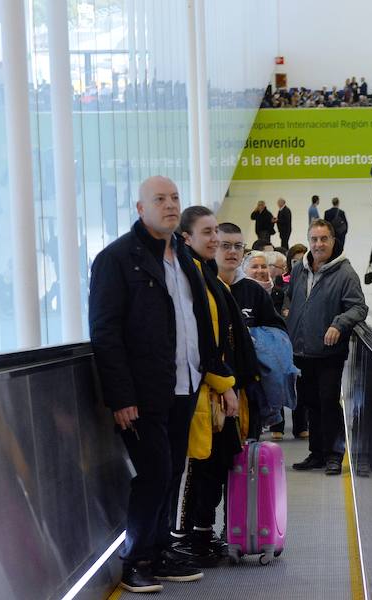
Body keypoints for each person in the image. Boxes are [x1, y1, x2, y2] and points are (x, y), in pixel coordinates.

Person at [89, 176, 225, 592]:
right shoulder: (117, 259)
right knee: (155, 471)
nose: (169, 205)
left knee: (173, 470)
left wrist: (214, 376)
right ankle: (136, 559)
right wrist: (122, 396)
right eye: (159, 199)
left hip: (185, 385)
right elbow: (105, 332)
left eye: (174, 199)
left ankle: (161, 550)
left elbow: (200, 322)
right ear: (140, 208)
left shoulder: (185, 258)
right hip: (143, 392)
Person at [171, 207, 260, 567]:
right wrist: (223, 384)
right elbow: (199, 341)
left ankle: (203, 535)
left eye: (216, 234)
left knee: (219, 462)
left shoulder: (207, 278)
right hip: (205, 390)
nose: (214, 242)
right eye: (207, 234)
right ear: (187, 237)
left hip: (222, 388)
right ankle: (189, 536)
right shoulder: (190, 277)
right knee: (200, 465)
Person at [287, 219, 367, 477]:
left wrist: (339, 323)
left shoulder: (346, 274)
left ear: (333, 241)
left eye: (324, 239)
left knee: (328, 403)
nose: (318, 244)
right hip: (302, 350)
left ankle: (334, 455)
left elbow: (358, 307)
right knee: (310, 402)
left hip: (329, 352)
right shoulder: (299, 269)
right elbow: (291, 295)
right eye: (314, 239)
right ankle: (317, 453)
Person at [216, 223, 290, 444]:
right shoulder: (204, 287)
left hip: (249, 389)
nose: (232, 251)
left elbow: (278, 331)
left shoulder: (253, 290)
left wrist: (253, 337)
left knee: (248, 459)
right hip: (213, 388)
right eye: (225, 245)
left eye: (238, 246)